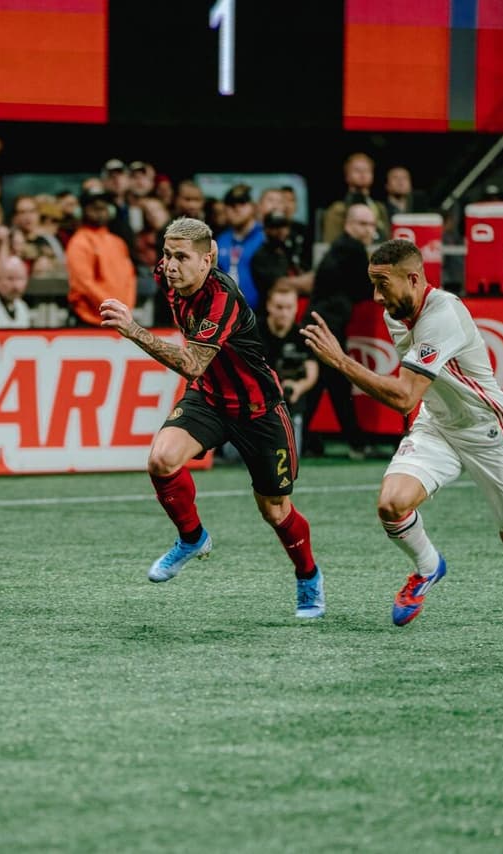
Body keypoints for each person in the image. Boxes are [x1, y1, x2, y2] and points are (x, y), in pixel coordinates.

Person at [300, 239, 503, 658]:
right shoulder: (397, 313)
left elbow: (403, 394)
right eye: (372, 285)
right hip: (438, 427)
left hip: (491, 435)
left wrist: (342, 361)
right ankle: (427, 567)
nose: (376, 297)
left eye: (383, 285)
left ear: (415, 279)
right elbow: (417, 393)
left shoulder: (443, 316)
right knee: (391, 503)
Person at [98, 217, 326, 618]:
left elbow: (191, 364)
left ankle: (308, 577)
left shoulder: (223, 298)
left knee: (275, 511)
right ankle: (192, 538)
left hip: (259, 410)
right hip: (210, 399)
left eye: (181, 257)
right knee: (161, 459)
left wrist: (133, 329)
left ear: (208, 260)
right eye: (167, 255)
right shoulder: (170, 274)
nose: (170, 265)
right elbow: (198, 375)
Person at [303, 202, 375, 459]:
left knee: (323, 385)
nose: (369, 230)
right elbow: (366, 289)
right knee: (331, 385)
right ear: (349, 225)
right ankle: (355, 442)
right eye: (363, 224)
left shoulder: (343, 247)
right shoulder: (352, 248)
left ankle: (303, 440)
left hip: (322, 324)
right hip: (326, 327)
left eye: (372, 224)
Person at [258, 285, 318, 455]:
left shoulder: (302, 336)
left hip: (289, 405)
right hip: (254, 404)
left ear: (297, 307)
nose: (284, 313)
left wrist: (299, 387)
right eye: (279, 307)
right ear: (269, 306)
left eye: (289, 307)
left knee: (290, 456)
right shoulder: (253, 331)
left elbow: (312, 371)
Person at [64, 188, 135, 327]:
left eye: (103, 208)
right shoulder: (79, 242)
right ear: (82, 212)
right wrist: (113, 308)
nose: (99, 212)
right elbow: (83, 284)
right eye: (94, 208)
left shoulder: (118, 242)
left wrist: (126, 307)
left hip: (119, 318)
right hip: (88, 320)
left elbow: (130, 278)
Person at [321, 152, 390, 243]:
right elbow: (330, 243)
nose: (362, 174)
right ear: (347, 176)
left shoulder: (379, 208)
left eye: (367, 170)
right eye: (357, 170)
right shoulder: (337, 210)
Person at [215, 184, 265, 307]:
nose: (236, 208)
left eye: (242, 203)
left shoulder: (265, 237)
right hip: (227, 314)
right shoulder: (221, 239)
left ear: (253, 207)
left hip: (260, 313)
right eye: (231, 204)